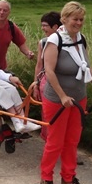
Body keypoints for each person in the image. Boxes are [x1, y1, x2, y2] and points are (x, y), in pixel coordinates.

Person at [39, 1, 92, 184]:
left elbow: (86, 67)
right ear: (64, 19)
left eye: (81, 19)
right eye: (75, 19)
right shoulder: (55, 41)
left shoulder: (80, 39)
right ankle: (46, 178)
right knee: (55, 141)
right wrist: (62, 96)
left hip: (79, 98)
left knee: (72, 141)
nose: (78, 23)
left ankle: (68, 179)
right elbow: (49, 71)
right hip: (57, 100)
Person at [32, 11, 62, 140]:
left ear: (55, 27)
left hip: (64, 82)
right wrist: (35, 84)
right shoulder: (43, 43)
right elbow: (39, 65)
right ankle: (49, 145)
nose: (42, 28)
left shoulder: (67, 42)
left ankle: (66, 148)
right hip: (46, 82)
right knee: (48, 114)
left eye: (45, 25)